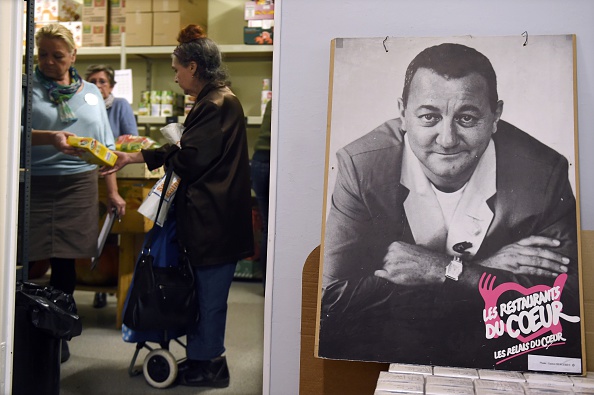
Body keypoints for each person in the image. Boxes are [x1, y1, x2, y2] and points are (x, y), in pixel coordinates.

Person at [319, 43, 581, 370]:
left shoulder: (543, 173)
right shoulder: (361, 167)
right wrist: (483, 269)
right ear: (402, 113)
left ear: (496, 116)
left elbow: (565, 305)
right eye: (429, 116)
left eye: (467, 118)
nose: (447, 139)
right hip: (390, 355)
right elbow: (331, 301)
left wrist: (447, 269)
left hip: (491, 358)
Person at [101, 24, 254, 387]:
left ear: (194, 67)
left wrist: (157, 153)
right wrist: (140, 154)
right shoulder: (217, 100)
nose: (175, 77)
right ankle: (203, 358)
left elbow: (191, 159)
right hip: (215, 220)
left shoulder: (215, 104)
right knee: (205, 297)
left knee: (210, 298)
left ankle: (210, 366)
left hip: (213, 222)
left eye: (176, 69)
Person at [28, 23, 126, 363]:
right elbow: (13, 132)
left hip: (79, 185)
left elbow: (107, 145)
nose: (49, 62)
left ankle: (59, 329)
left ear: (73, 56)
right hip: (36, 183)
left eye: (58, 55)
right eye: (43, 55)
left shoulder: (91, 93)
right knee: (28, 261)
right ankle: (29, 327)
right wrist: (50, 137)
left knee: (66, 262)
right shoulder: (27, 87)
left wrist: (112, 192)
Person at [85, 64, 138, 309]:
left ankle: (110, 284)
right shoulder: (83, 104)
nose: (97, 86)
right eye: (93, 81)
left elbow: (131, 139)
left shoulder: (120, 106)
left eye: (102, 81)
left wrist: (108, 147)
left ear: (111, 86)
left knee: (114, 232)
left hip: (116, 172)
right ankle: (92, 279)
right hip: (88, 175)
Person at [251, 99, 271, 291]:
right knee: (278, 229)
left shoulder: (275, 99)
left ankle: (268, 286)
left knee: (268, 228)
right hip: (274, 162)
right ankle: (276, 286)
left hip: (259, 162)